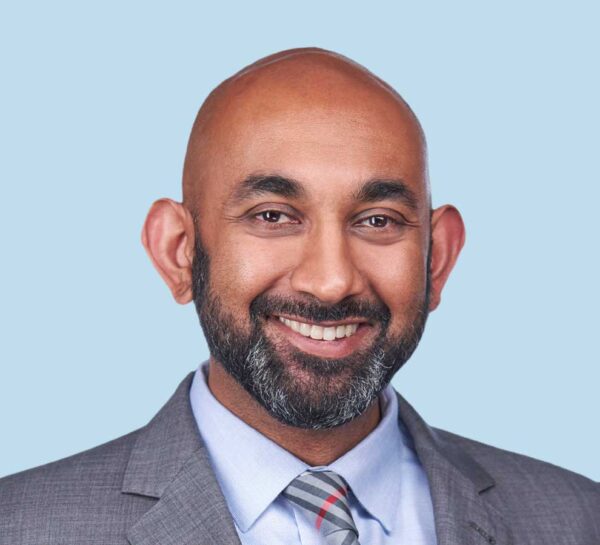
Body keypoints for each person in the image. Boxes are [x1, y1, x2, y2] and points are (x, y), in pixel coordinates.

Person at [0, 47, 598, 545]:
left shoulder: (577, 520)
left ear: (437, 259)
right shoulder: (21, 527)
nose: (331, 281)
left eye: (378, 221)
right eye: (272, 215)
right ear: (178, 251)